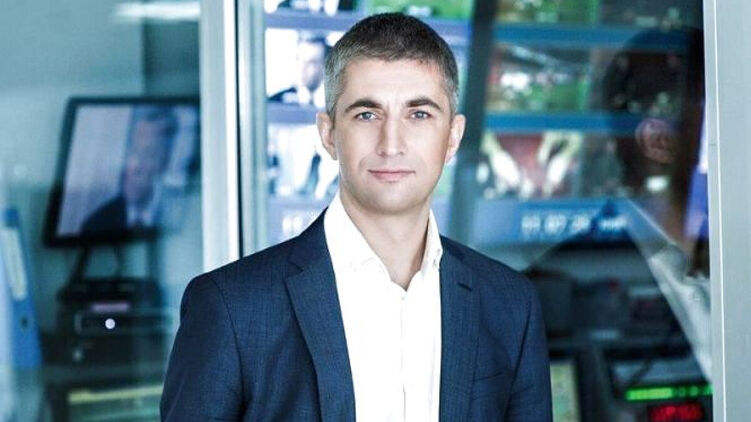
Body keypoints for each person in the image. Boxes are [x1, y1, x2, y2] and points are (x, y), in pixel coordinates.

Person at [161, 13, 552, 421]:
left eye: (419, 114)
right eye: (367, 114)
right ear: (329, 134)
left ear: (452, 136)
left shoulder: (511, 305)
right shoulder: (231, 307)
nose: (391, 144)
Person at [81, 108, 176, 235]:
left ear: (165, 163)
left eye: (148, 154)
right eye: (133, 151)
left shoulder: (176, 217)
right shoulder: (95, 225)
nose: (134, 166)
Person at [268, 34, 328, 109]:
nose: (303, 67)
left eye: (311, 62)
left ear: (324, 65)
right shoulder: (275, 101)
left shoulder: (336, 103)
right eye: (300, 60)